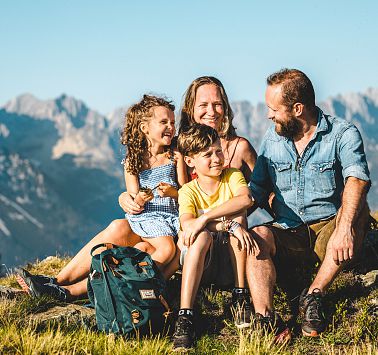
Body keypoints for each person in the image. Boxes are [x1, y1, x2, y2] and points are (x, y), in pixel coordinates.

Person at [16, 95, 187, 301]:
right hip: (145, 219)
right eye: (164, 122)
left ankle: (75, 291)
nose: (170, 127)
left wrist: (173, 192)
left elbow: (186, 191)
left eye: (172, 122)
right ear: (144, 128)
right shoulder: (133, 159)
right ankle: (56, 281)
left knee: (166, 249)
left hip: (168, 222)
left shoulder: (175, 154)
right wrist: (138, 198)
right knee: (117, 226)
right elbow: (133, 199)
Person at [246, 68, 370, 340]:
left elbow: (358, 179)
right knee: (258, 235)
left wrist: (345, 226)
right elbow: (257, 188)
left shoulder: (342, 134)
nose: (269, 115)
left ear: (298, 108)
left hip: (329, 229)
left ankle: (313, 296)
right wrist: (228, 219)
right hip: (288, 231)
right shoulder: (272, 138)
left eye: (274, 109)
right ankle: (266, 318)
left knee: (357, 210)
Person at [171, 124, 260, 351]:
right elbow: (188, 225)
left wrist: (206, 219)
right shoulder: (188, 191)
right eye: (207, 154)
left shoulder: (232, 176)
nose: (217, 158)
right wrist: (223, 224)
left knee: (239, 219)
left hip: (232, 261)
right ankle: (185, 316)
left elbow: (246, 200)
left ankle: (240, 296)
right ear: (190, 161)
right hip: (206, 265)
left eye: (219, 150)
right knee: (202, 237)